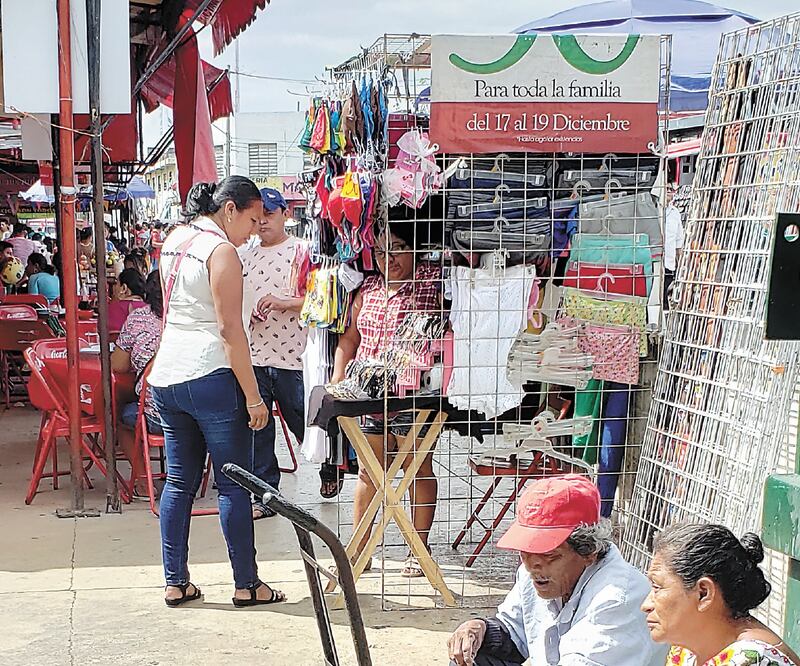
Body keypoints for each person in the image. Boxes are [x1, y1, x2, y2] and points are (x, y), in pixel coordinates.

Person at [147, 176, 283, 608]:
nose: (254, 230)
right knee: (232, 486)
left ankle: (176, 581)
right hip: (211, 376)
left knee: (179, 483)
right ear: (229, 210)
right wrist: (254, 397)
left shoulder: (174, 239)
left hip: (168, 376)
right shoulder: (221, 251)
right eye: (252, 219)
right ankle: (247, 584)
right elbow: (230, 331)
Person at [448, 475, 666, 666]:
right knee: (475, 652)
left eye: (549, 555)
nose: (532, 565)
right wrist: (479, 628)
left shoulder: (618, 598)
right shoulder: (533, 572)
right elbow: (514, 632)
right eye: (525, 551)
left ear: (589, 552)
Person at [333, 219, 442, 577]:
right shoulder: (368, 288)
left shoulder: (433, 281)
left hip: (415, 394)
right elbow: (349, 339)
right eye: (381, 250)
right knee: (369, 471)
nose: (389, 257)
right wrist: (338, 377)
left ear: (414, 248)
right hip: (368, 392)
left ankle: (418, 549)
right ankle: (360, 549)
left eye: (398, 247)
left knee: (416, 467)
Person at [239, 188, 307, 520]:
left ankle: (330, 467)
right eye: (259, 214)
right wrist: (248, 312)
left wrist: (284, 303)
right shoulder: (244, 256)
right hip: (255, 356)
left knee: (304, 420)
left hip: (294, 355)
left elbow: (321, 302)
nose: (263, 220)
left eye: (270, 212)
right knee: (259, 430)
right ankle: (265, 496)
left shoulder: (302, 252)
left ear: (284, 214)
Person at [642, 523, 799, 666]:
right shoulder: (687, 648)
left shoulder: (752, 660)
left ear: (704, 593)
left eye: (657, 587)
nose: (646, 605)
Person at [112, 270, 164, 498]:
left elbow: (118, 365)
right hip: (200, 415)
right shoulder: (198, 319)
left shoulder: (138, 319)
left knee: (122, 418)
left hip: (154, 415)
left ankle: (144, 482)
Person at [663, 184, 685, 309]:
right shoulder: (653, 210)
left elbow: (678, 241)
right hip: (653, 263)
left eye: (670, 190)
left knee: (666, 299)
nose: (669, 192)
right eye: (666, 189)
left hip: (669, 264)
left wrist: (680, 265)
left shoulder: (675, 213)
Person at [108, 268, 147, 332]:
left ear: (123, 288)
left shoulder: (112, 308)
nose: (114, 288)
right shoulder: (149, 310)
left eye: (116, 284)